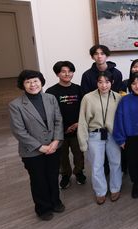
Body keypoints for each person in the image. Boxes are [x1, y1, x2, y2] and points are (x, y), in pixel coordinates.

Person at [9, 70, 65, 221]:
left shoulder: (50, 98)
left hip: (54, 146)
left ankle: (55, 201)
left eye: (35, 81)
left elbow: (58, 120)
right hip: (32, 151)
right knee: (38, 180)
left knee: (53, 176)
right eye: (28, 82)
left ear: (41, 82)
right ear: (23, 85)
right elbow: (19, 131)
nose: (32, 84)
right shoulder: (16, 105)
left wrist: (56, 140)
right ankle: (43, 208)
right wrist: (40, 147)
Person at [77, 71, 122, 205]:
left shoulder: (118, 97)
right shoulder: (88, 98)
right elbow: (82, 121)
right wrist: (83, 142)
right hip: (94, 135)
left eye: (107, 82)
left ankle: (115, 188)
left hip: (113, 135)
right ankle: (100, 191)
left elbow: (121, 119)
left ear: (112, 83)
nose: (104, 85)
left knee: (116, 163)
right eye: (100, 82)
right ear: (96, 83)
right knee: (97, 165)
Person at [81, 44, 123, 176]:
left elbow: (118, 96)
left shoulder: (116, 73)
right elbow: (86, 99)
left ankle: (115, 182)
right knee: (98, 163)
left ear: (107, 55)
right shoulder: (87, 75)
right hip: (96, 122)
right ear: (92, 56)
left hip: (111, 124)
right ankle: (101, 185)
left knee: (115, 161)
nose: (99, 56)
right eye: (96, 54)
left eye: (102, 53)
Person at [46, 61, 86, 189]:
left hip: (76, 128)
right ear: (57, 73)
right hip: (59, 132)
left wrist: (78, 124)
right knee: (62, 156)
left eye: (70, 71)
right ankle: (65, 175)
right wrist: (63, 128)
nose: (67, 74)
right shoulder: (51, 91)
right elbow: (49, 114)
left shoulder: (78, 89)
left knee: (78, 154)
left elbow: (84, 109)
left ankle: (79, 172)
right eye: (63, 71)